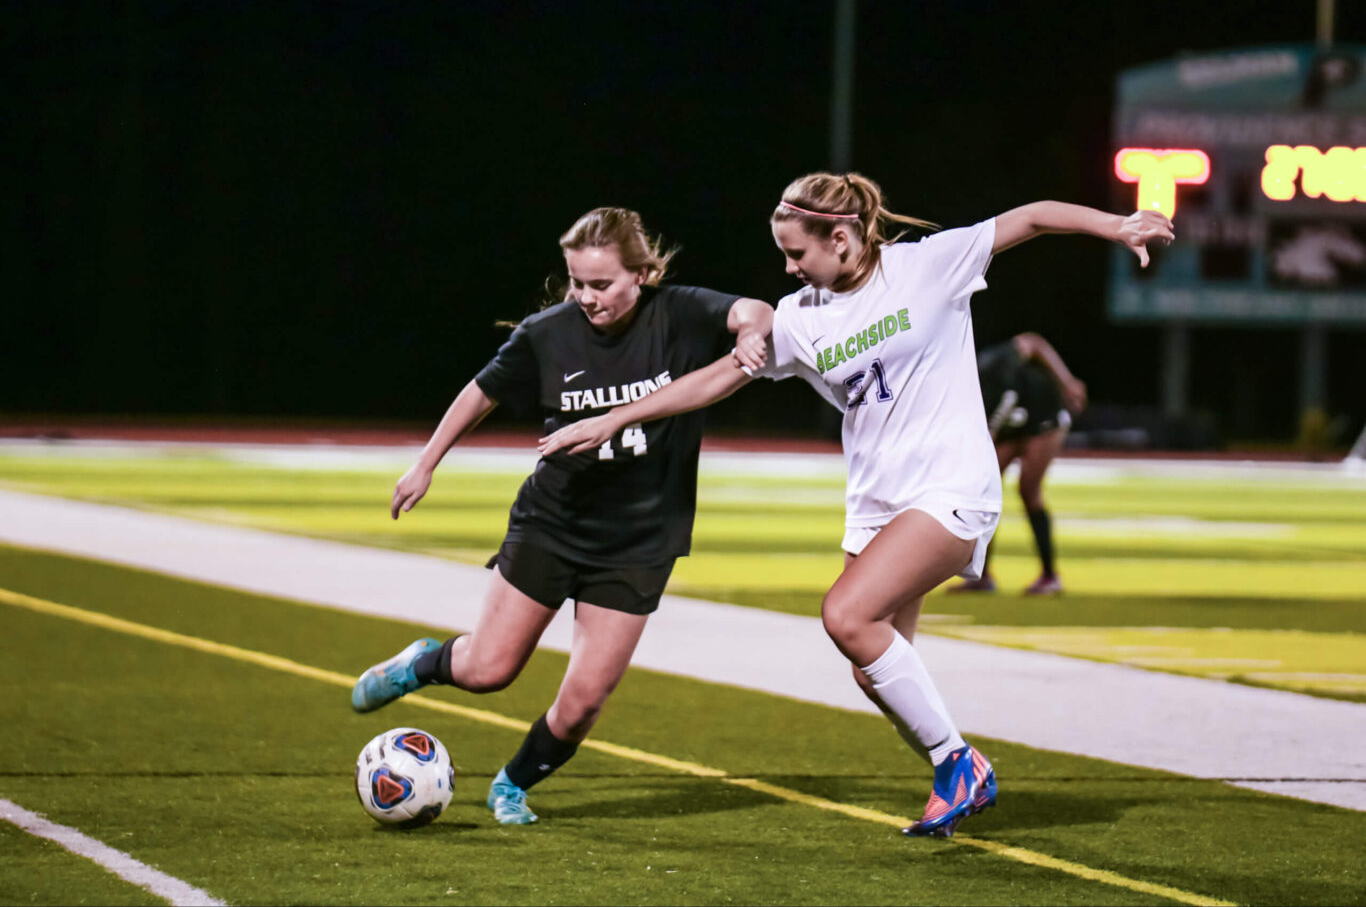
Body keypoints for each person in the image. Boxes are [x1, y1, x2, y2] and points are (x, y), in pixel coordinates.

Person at [538, 172, 1173, 838]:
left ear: (840, 237)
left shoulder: (927, 266)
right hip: (877, 502)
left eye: (797, 252)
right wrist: (614, 419)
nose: (787, 266)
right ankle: (950, 765)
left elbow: (1034, 216)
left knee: (845, 613)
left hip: (950, 485)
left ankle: (959, 763)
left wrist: (1115, 224)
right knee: (876, 668)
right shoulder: (801, 315)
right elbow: (721, 376)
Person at [350, 206, 772, 825]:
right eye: (577, 282)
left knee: (582, 705)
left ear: (642, 273)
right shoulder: (549, 332)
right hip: (554, 525)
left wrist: (752, 332)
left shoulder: (677, 311)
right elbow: (482, 390)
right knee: (488, 670)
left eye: (601, 284)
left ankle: (511, 784)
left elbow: (752, 310)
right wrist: (426, 463)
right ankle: (421, 662)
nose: (587, 297)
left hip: (640, 541)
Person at [952, 332, 1088, 595]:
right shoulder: (964, 388)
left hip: (1043, 418)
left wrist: (1067, 381)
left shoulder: (991, 364)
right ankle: (981, 575)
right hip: (1011, 427)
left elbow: (1033, 342)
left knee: (1028, 489)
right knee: (983, 491)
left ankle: (1050, 576)